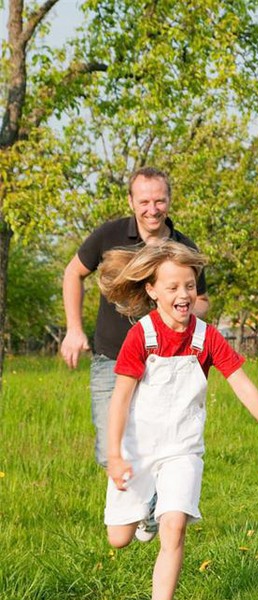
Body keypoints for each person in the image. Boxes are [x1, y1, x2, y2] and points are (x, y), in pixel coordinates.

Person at [99, 241, 258, 600]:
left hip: (183, 449)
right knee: (118, 538)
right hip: (139, 449)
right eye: (173, 287)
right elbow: (120, 399)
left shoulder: (207, 338)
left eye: (189, 286)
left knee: (175, 528)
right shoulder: (141, 337)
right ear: (153, 290)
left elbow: (243, 385)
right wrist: (114, 455)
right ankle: (147, 513)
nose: (183, 295)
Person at [60, 167, 209, 471]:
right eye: (144, 202)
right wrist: (74, 329)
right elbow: (73, 273)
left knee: (159, 449)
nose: (152, 210)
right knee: (110, 453)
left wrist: (178, 309)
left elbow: (202, 302)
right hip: (112, 360)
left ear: (169, 200)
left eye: (159, 201)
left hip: (163, 365)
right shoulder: (109, 236)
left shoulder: (184, 247)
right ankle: (136, 515)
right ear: (130, 201)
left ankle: (150, 520)